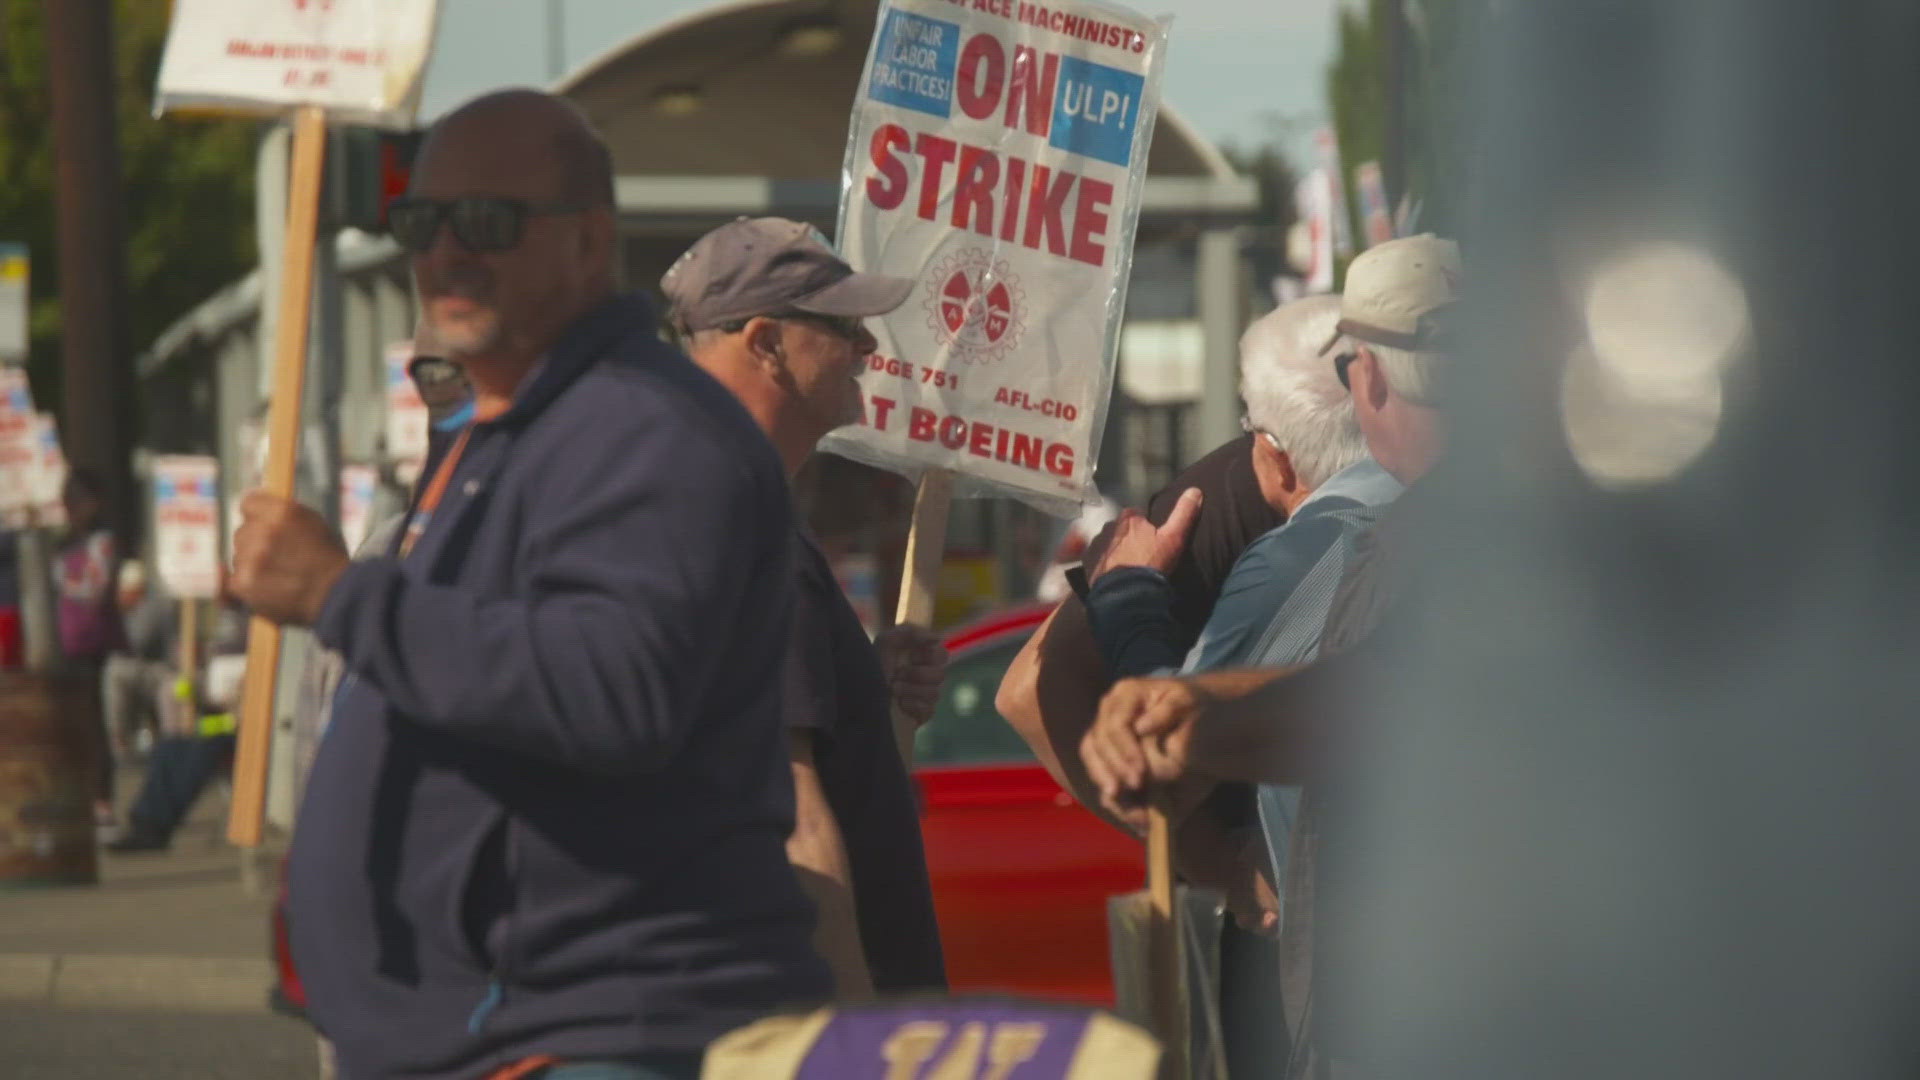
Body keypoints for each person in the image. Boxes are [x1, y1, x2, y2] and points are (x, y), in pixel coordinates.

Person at [230, 89, 828, 1080]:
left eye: (491, 223)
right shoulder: (513, 431)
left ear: (591, 244)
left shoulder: (645, 431)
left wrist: (345, 595)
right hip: (494, 1034)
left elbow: (613, 688)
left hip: (595, 1034)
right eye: (423, 223)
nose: (447, 252)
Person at [1083, 235, 1462, 1080]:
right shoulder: (1524, 509)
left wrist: (1136, 621)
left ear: (1366, 378)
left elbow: (1369, 708)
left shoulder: (1361, 541)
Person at [664, 216, 948, 999]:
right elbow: (795, 816)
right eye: (843, 326)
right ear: (765, 344)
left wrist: (857, 679)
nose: (870, 348)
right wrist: (860, 1047)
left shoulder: (709, 494)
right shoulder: (747, 526)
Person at [54, 467, 124, 826]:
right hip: (64, 639)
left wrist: (59, 581)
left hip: (90, 640)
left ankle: (101, 797)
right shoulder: (64, 542)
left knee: (93, 720)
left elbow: (93, 590)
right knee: (72, 721)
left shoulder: (101, 541)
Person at [102, 560, 178, 759]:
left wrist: (121, 612)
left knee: (168, 687)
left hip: (157, 667)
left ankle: (173, 744)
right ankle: (119, 740)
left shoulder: (154, 605)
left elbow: (138, 640)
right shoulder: (120, 608)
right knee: (114, 672)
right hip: (132, 665)